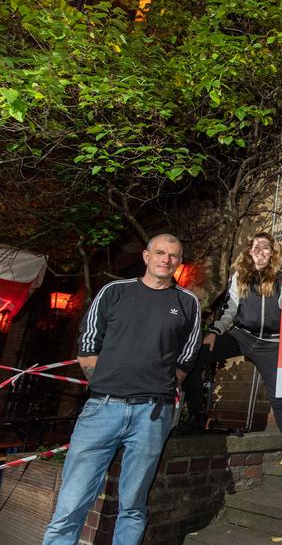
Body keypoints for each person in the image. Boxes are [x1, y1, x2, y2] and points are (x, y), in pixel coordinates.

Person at [43, 233, 202, 544]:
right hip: (102, 409)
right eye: (159, 252)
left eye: (173, 255)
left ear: (179, 262)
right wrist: (106, 383)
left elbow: (187, 355)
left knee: (133, 505)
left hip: (152, 415)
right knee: (71, 502)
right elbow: (88, 344)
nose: (165, 259)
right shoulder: (114, 292)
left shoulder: (188, 303)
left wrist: (158, 387)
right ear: (146, 256)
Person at [189, 232, 282, 467]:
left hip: (271, 343)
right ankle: (196, 419)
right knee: (193, 358)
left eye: (265, 248)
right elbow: (230, 309)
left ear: (272, 253)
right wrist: (215, 332)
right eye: (256, 247)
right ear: (249, 251)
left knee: (280, 396)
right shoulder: (240, 276)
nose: (260, 251)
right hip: (241, 336)